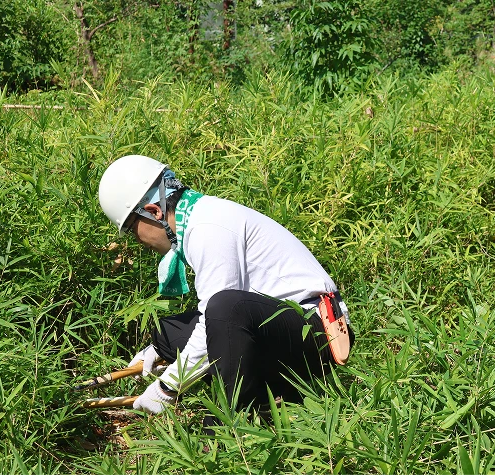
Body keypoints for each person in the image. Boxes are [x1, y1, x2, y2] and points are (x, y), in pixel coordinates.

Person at [98, 154, 354, 423]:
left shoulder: (208, 228)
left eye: (132, 230)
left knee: (223, 308)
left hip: (318, 336)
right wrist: (158, 351)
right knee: (170, 332)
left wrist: (167, 387)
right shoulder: (198, 218)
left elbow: (220, 316)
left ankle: (230, 424)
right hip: (283, 328)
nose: (138, 242)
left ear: (153, 212)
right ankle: (261, 393)